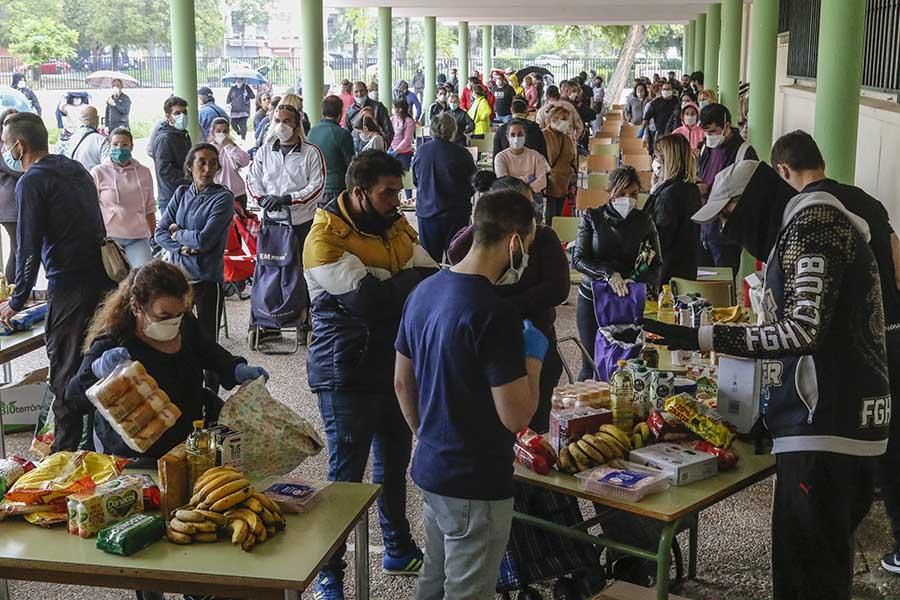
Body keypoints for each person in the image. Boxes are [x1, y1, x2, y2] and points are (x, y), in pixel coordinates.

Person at [644, 159, 889, 600]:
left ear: (752, 201)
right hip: (825, 427)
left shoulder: (813, 224)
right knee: (815, 571)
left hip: (827, 429)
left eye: (726, 216)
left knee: (807, 578)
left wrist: (704, 335)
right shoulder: (800, 228)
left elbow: (802, 330)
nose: (724, 229)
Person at [394, 189, 547, 600]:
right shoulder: (494, 313)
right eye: (528, 246)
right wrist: (533, 358)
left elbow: (401, 382)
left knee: (435, 578)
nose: (526, 257)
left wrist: (426, 434)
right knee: (468, 590)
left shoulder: (423, 291)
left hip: (432, 468)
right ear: (515, 241)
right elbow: (516, 417)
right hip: (476, 481)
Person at [304, 150, 438, 600]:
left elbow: (433, 276)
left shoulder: (395, 225)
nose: (396, 201)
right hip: (344, 371)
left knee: (394, 464)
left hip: (393, 365)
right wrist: (405, 282)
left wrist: (394, 283)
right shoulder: (324, 238)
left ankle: (396, 546)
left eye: (399, 192)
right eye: (387, 193)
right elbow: (371, 304)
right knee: (345, 479)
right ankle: (329, 575)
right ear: (359, 192)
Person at [770, 130, 900, 577]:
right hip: (890, 339)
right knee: (892, 451)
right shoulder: (866, 202)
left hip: (842, 372)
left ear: (784, 171)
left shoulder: (812, 216)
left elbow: (805, 325)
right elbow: (897, 262)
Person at [60, 261, 267, 460]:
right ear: (136, 307)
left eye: (179, 313)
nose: (173, 322)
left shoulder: (184, 324)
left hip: (188, 443)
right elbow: (72, 398)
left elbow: (211, 353)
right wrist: (96, 372)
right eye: (164, 315)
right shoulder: (113, 341)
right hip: (132, 455)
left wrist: (235, 368)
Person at [0, 112, 115, 450]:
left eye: (6, 145)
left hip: (70, 289)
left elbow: (27, 246)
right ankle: (94, 448)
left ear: (19, 146)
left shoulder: (32, 180)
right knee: (94, 366)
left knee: (64, 373)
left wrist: (17, 301)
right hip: (103, 282)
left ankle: (63, 457)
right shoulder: (74, 167)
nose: (6, 151)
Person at [446, 175, 568, 429]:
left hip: (536, 335)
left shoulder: (543, 237)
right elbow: (456, 252)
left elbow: (557, 288)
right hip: (490, 335)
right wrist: (481, 224)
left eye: (529, 208)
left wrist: (507, 306)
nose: (525, 217)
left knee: (534, 420)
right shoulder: (480, 241)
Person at [572, 166, 661, 380]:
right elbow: (578, 259)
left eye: (633, 194)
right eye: (622, 193)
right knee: (591, 362)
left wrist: (636, 280)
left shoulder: (644, 220)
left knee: (626, 363)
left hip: (627, 299)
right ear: (610, 192)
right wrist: (609, 274)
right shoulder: (592, 216)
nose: (627, 199)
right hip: (592, 297)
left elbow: (656, 262)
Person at [154, 142, 234, 372]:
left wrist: (177, 232)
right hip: (180, 280)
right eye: (201, 162)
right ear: (190, 166)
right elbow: (159, 233)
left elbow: (204, 240)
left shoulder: (223, 198)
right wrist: (180, 247)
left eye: (212, 163)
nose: (207, 169)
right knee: (179, 340)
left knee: (209, 345)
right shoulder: (181, 193)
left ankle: (211, 394)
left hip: (207, 280)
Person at [247, 101, 325, 318]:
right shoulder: (264, 152)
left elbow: (317, 187)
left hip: (301, 223)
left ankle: (303, 316)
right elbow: (253, 179)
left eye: (287, 121)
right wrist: (262, 199)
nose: (282, 125)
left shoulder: (311, 153)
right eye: (278, 121)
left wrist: (288, 199)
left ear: (297, 123)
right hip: (271, 223)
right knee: (270, 270)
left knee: (301, 271)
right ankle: (270, 316)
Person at [697, 103, 757, 275]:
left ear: (726, 126)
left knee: (724, 288)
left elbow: (750, 193)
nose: (709, 137)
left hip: (726, 235)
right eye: (706, 133)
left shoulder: (744, 153)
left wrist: (711, 192)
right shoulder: (705, 147)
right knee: (702, 285)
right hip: (704, 229)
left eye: (713, 132)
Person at [412, 113, 476, 262]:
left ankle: (431, 285)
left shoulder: (421, 151)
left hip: (427, 213)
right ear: (454, 130)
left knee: (429, 261)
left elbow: (416, 180)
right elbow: (473, 183)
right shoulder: (462, 154)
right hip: (456, 213)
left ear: (432, 130)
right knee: (455, 259)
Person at [90, 127, 156, 268]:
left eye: (124, 144)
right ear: (110, 146)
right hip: (110, 238)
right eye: (115, 144)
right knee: (112, 280)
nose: (120, 148)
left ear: (132, 146)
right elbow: (91, 208)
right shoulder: (98, 172)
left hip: (138, 237)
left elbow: (150, 207)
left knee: (143, 278)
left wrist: (153, 236)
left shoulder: (144, 172)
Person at [646, 134, 701, 286]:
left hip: (667, 273)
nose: (655, 161)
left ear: (667, 159)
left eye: (657, 156)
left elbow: (660, 239)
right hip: (687, 268)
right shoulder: (692, 189)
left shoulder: (668, 195)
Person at [494, 120, 551, 220]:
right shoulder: (501, 157)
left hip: (533, 199)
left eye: (520, 134)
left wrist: (517, 181)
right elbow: (504, 183)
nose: (516, 138)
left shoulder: (536, 156)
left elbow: (542, 182)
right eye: (513, 134)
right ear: (507, 137)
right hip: (510, 199)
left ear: (525, 136)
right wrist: (527, 179)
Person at [307, 95, 355, 206]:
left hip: (315, 187)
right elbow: (351, 164)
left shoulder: (312, 132)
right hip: (336, 188)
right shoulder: (342, 134)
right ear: (341, 113)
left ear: (322, 112)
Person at [149, 96, 191, 212]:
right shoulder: (165, 139)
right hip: (170, 198)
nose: (182, 116)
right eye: (177, 113)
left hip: (184, 194)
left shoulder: (183, 135)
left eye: (184, 112)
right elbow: (164, 171)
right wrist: (190, 177)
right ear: (168, 117)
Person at [543, 106, 578, 225]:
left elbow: (572, 158)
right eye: (564, 119)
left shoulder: (566, 137)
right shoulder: (544, 135)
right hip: (549, 182)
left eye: (567, 119)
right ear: (553, 119)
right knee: (550, 215)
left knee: (560, 215)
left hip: (565, 182)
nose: (566, 122)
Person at [209, 118, 250, 211]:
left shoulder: (232, 147)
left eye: (225, 131)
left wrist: (228, 145)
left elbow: (244, 161)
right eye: (218, 131)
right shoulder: (209, 149)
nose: (222, 134)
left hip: (237, 193)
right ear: (212, 132)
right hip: (218, 193)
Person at [0, 109, 20, 283]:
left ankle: (14, 287)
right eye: (8, 122)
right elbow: (17, 170)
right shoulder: (4, 148)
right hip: (10, 208)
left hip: (16, 205)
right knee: (18, 249)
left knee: (17, 250)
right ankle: (14, 287)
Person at [345, 81, 394, 145]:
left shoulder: (378, 107)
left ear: (366, 91)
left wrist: (382, 145)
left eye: (362, 91)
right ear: (352, 93)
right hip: (357, 151)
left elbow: (389, 132)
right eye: (356, 92)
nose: (359, 94)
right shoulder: (350, 111)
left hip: (376, 150)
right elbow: (346, 133)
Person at [62, 106, 109, 172]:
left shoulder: (72, 138)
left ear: (81, 120)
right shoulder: (101, 140)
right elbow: (107, 167)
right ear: (97, 119)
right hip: (93, 180)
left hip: (73, 179)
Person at [642, 81, 680, 151]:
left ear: (672, 90)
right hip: (660, 133)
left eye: (668, 89)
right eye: (664, 89)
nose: (666, 91)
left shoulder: (676, 101)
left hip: (673, 132)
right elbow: (646, 118)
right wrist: (642, 130)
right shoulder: (655, 103)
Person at [389, 99, 416, 171]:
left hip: (404, 153)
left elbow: (407, 140)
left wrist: (396, 151)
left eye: (394, 107)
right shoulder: (392, 119)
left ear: (400, 109)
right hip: (392, 150)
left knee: (403, 175)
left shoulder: (409, 122)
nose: (393, 109)